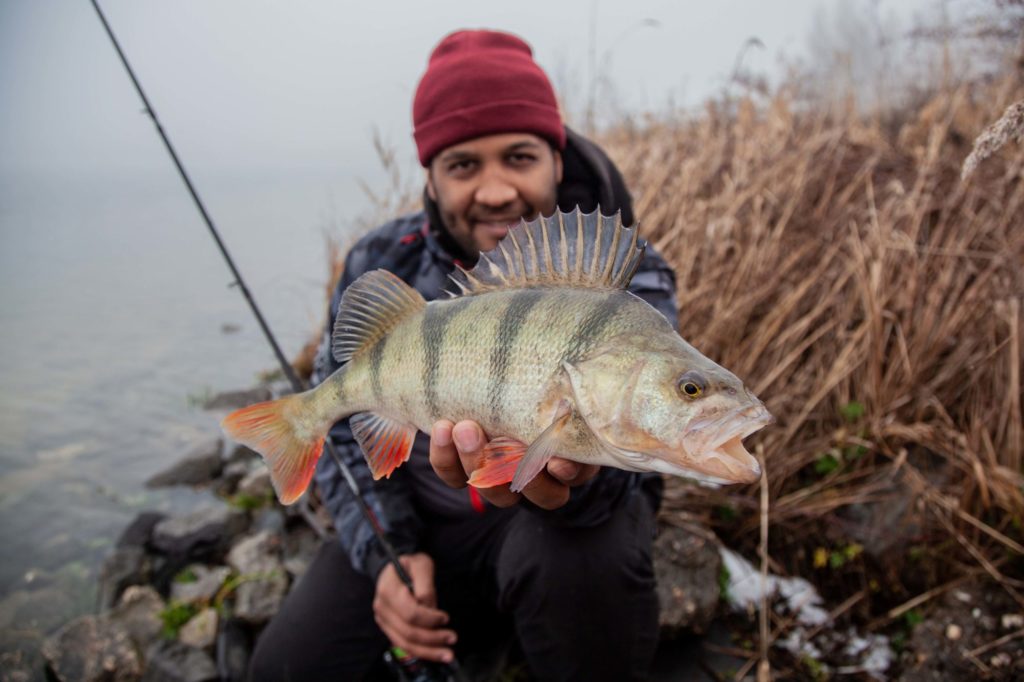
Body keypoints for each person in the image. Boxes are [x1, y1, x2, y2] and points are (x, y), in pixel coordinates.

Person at [248, 29, 679, 682]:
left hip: (558, 532)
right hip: (425, 524)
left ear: (557, 160)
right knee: (284, 667)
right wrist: (389, 553)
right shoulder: (379, 260)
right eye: (463, 165)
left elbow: (646, 445)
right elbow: (339, 411)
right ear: (429, 174)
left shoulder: (622, 277)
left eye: (519, 156)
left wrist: (581, 481)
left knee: (575, 561)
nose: (497, 190)